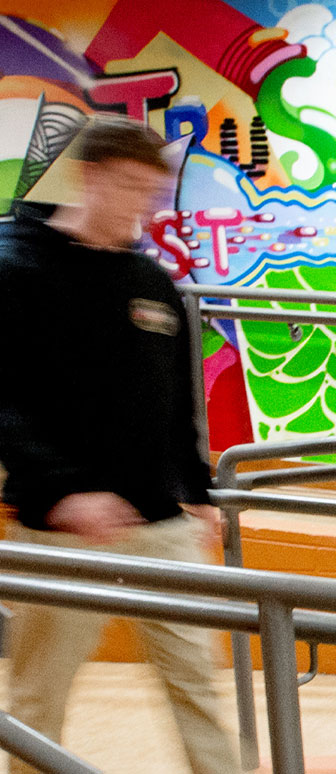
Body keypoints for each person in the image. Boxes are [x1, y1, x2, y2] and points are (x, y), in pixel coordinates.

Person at [0, 117, 237, 774]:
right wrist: (65, 489)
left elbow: (175, 403)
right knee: (40, 694)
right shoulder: (16, 268)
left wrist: (199, 491)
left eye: (151, 193)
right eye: (131, 188)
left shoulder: (152, 283)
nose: (143, 207)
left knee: (195, 678)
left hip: (159, 520)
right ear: (92, 176)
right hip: (61, 529)